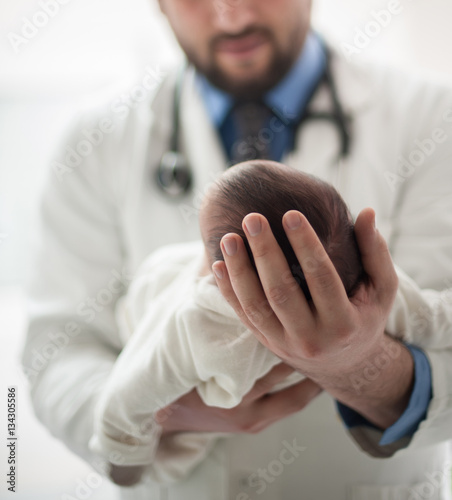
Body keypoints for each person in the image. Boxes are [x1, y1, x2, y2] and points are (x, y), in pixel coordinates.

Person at [22, 0, 452, 498]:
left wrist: (358, 365)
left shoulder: (434, 121)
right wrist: (162, 414)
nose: (232, 16)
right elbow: (57, 351)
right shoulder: (97, 140)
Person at [89, 160, 452, 487]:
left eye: (206, 248)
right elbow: (435, 317)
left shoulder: (199, 321)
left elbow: (125, 399)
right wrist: (168, 422)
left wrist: (125, 462)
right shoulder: (370, 289)